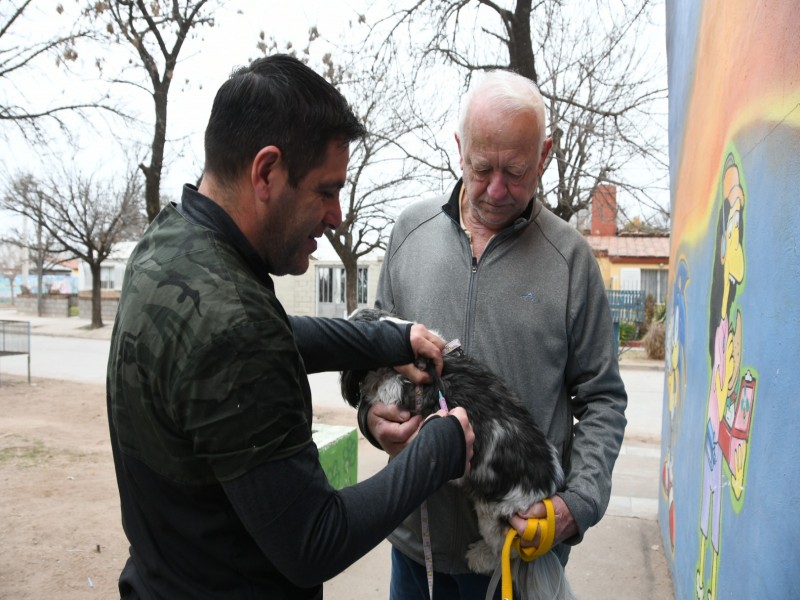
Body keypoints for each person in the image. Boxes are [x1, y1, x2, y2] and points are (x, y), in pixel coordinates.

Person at [106, 54, 475, 600]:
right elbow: (313, 541)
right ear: (266, 172)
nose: (338, 215)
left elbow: (276, 334)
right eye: (326, 190)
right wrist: (439, 449)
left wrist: (391, 337)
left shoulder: (172, 244)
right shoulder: (234, 325)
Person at [359, 70, 628, 599]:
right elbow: (372, 362)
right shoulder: (408, 235)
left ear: (545, 154)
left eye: (517, 170)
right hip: (418, 551)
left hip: (517, 554)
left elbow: (603, 400)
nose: (498, 189)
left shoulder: (571, 260)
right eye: (482, 168)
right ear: (460, 149)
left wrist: (576, 504)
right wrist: (372, 421)